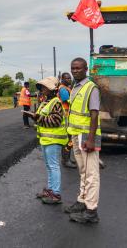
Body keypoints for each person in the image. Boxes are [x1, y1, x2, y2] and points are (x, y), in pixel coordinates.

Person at [64, 57, 102, 224]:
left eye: (78, 68)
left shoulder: (91, 88)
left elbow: (94, 114)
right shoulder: (75, 87)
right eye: (73, 68)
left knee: (91, 174)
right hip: (76, 134)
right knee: (83, 171)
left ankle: (91, 211)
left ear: (86, 69)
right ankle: (82, 201)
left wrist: (91, 139)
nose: (75, 71)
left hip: (87, 136)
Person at [31, 76, 67, 205]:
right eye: (42, 87)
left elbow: (55, 121)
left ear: (52, 89)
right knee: (49, 166)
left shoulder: (56, 102)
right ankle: (50, 190)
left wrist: (37, 118)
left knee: (53, 166)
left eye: (45, 87)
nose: (42, 89)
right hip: (46, 139)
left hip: (53, 140)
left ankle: (55, 194)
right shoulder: (46, 101)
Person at [58, 72, 77, 169]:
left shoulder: (67, 88)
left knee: (70, 139)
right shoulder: (63, 89)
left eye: (70, 78)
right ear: (62, 79)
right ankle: (65, 160)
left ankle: (67, 158)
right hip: (65, 117)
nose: (69, 80)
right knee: (68, 139)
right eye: (67, 78)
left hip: (68, 116)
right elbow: (68, 101)